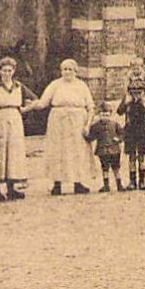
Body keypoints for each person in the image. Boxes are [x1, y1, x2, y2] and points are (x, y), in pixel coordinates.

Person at [26, 58, 98, 196]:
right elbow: (42, 103)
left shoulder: (82, 86)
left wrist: (88, 125)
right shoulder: (55, 85)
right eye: (64, 69)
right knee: (58, 152)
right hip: (58, 122)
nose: (67, 72)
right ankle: (57, 184)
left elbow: (90, 107)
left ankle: (78, 183)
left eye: (70, 69)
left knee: (77, 152)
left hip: (77, 121)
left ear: (76, 71)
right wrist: (29, 106)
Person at [0, 58, 33, 201]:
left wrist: (24, 109)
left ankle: (11, 188)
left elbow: (34, 99)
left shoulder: (19, 86)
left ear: (13, 71)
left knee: (13, 153)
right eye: (4, 70)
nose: (7, 73)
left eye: (10, 70)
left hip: (15, 118)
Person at [118, 72, 145, 191]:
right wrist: (126, 102)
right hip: (130, 130)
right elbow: (119, 111)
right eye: (133, 91)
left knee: (142, 157)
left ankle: (142, 181)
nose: (136, 94)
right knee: (132, 157)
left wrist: (144, 103)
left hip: (142, 131)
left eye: (139, 91)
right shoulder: (128, 100)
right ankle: (132, 181)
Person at [86, 101, 126, 192]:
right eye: (102, 115)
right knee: (105, 168)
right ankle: (106, 185)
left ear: (110, 114)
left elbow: (122, 134)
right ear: (99, 115)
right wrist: (86, 136)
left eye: (107, 115)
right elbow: (92, 136)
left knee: (116, 167)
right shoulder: (96, 126)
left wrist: (118, 139)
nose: (105, 117)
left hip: (114, 150)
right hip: (102, 150)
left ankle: (119, 184)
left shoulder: (115, 124)